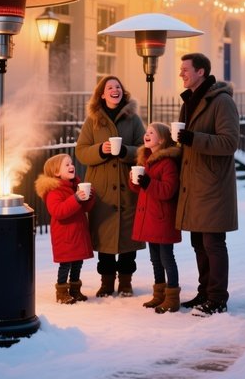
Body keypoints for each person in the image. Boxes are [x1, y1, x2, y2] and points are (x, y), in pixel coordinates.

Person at [174, 53, 240, 316]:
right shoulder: (189, 101)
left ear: (201, 71)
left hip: (212, 184)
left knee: (213, 242)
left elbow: (229, 142)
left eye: (185, 69)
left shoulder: (222, 101)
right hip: (193, 183)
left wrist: (193, 138)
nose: (181, 74)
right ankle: (205, 292)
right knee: (198, 242)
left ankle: (217, 298)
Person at [75, 75, 145, 297]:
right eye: (110, 87)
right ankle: (106, 282)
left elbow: (144, 149)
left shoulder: (133, 119)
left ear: (123, 92)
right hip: (103, 189)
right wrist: (100, 150)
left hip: (126, 186)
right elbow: (81, 151)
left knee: (127, 239)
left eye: (118, 86)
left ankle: (125, 281)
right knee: (104, 238)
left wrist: (126, 152)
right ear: (102, 94)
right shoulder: (92, 121)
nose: (115, 89)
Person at [129, 122, 182, 314]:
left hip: (162, 218)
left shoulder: (167, 162)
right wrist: (136, 182)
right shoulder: (147, 160)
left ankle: (172, 297)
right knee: (155, 259)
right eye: (146, 132)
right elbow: (143, 190)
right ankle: (159, 294)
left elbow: (169, 190)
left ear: (162, 139)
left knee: (166, 258)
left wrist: (148, 182)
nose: (146, 134)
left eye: (151, 132)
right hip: (151, 218)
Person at [34, 153, 96, 304]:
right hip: (65, 235)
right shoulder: (54, 191)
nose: (72, 166)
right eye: (66, 165)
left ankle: (75, 289)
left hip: (78, 233)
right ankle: (62, 292)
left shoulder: (74, 186)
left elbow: (85, 208)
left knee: (77, 262)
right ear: (56, 172)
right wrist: (75, 198)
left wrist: (89, 197)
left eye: (71, 163)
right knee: (66, 264)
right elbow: (58, 211)